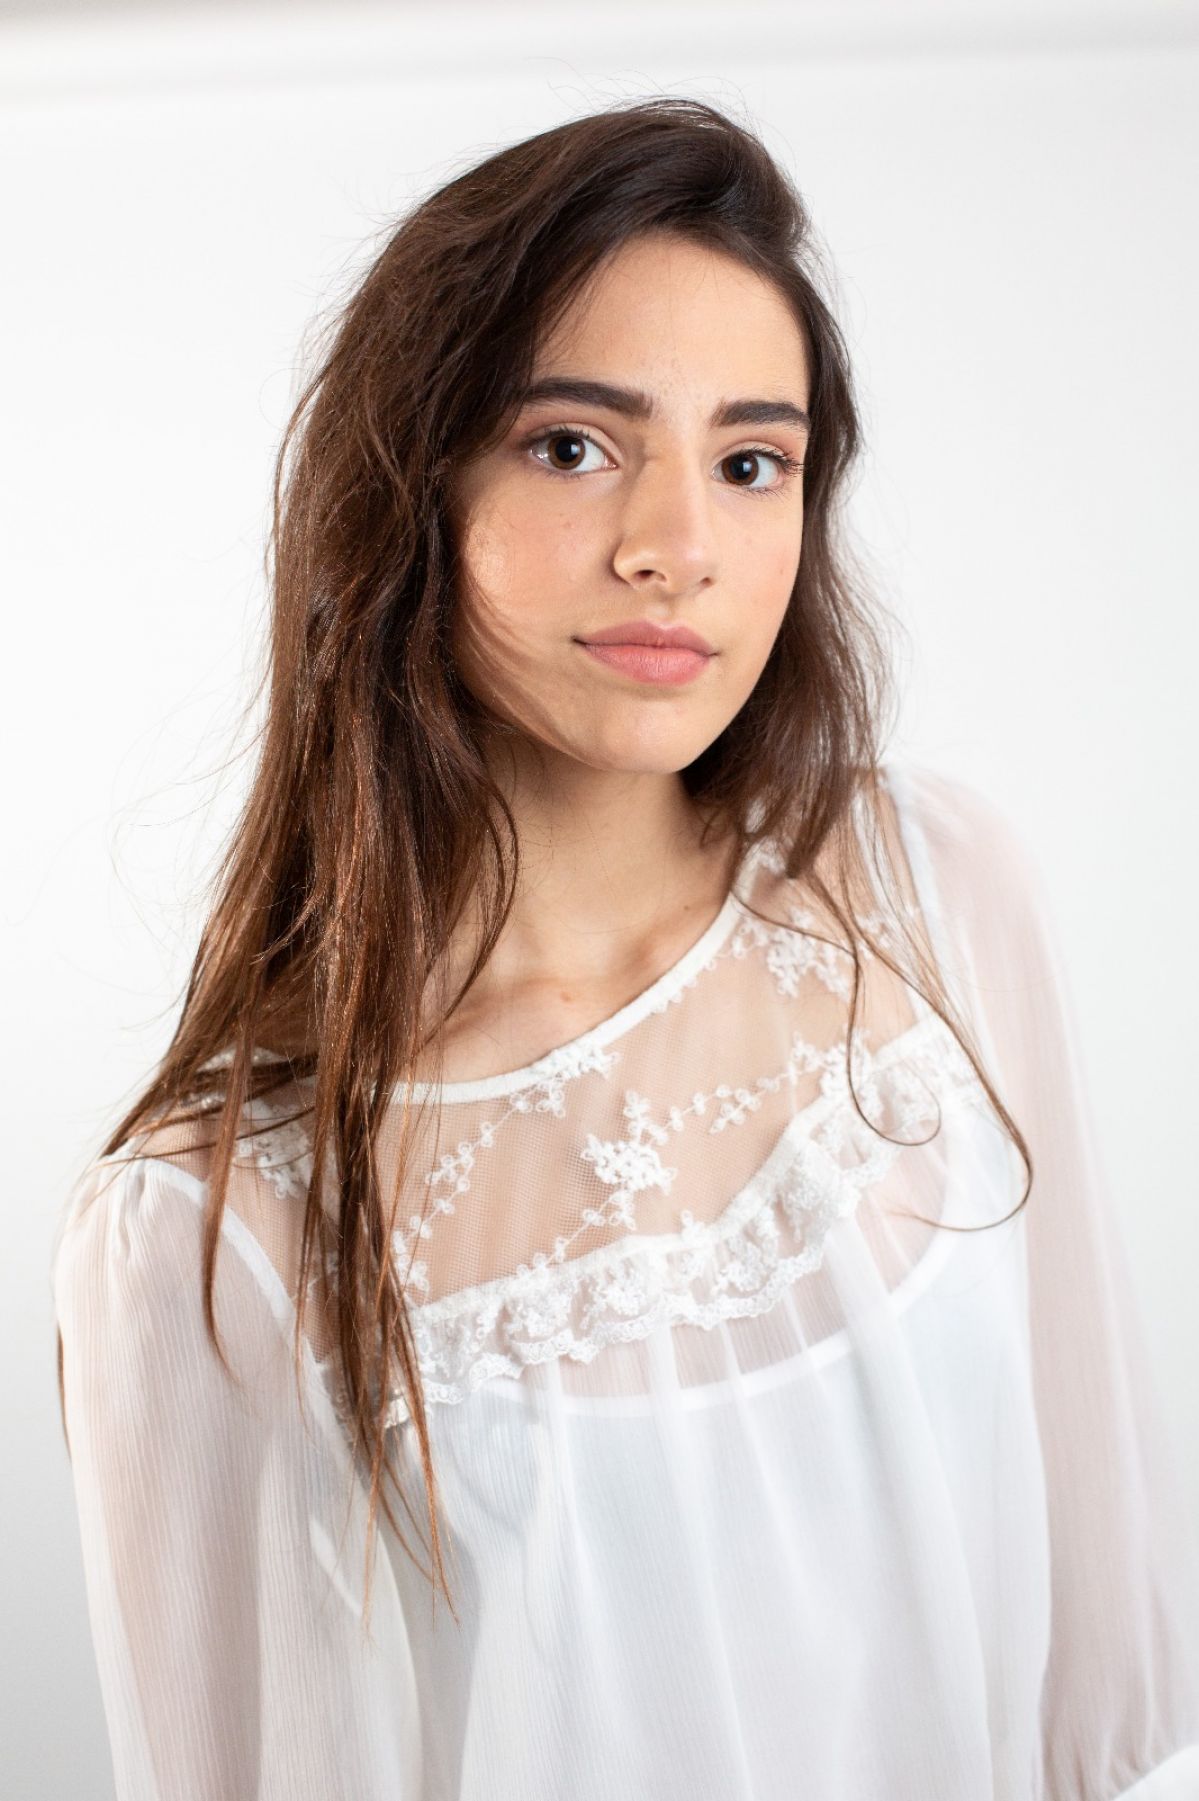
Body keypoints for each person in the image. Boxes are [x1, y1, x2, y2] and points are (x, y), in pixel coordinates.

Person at [52, 96, 1199, 1799]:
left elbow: (1113, 1687)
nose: (678, 546)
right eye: (574, 446)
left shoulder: (939, 894)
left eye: (752, 461)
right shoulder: (211, 1227)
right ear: (410, 488)